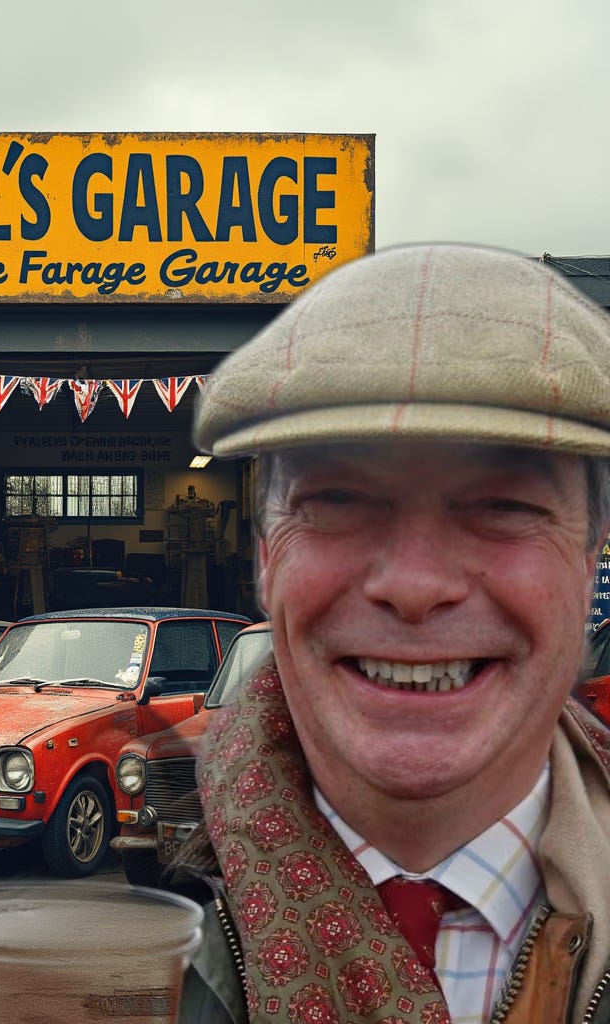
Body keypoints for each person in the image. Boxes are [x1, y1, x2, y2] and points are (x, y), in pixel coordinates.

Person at [175, 243, 610, 1023]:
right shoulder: (133, 932)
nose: (412, 586)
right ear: (268, 559)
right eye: (339, 500)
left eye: (505, 506)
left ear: (588, 566)